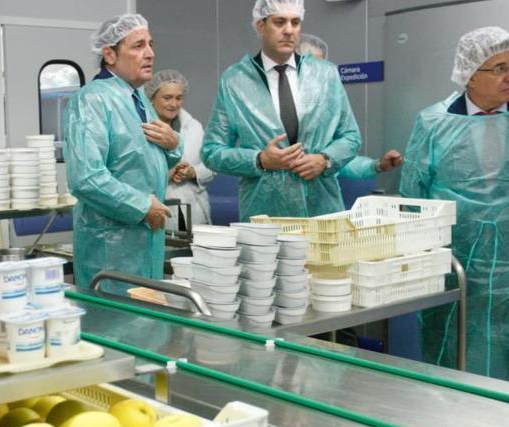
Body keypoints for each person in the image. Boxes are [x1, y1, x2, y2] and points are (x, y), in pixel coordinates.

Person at [399, 27, 509, 391]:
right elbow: (414, 197)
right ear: (469, 74)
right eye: (499, 68)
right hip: (456, 267)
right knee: (455, 350)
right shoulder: (434, 123)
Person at [202, 0, 361, 221]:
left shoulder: (326, 75)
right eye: (279, 22)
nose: (288, 30)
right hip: (265, 213)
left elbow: (351, 137)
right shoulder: (235, 81)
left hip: (322, 211)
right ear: (260, 26)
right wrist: (259, 160)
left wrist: (325, 160)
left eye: (295, 22)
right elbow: (212, 151)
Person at [62, 14, 183, 294]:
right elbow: (85, 178)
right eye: (138, 45)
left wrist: (174, 144)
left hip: (145, 240)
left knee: (146, 324)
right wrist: (142, 206)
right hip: (111, 245)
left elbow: (150, 160)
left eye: (151, 44)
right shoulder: (92, 100)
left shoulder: (138, 98)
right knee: (114, 328)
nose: (150, 53)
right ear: (110, 54)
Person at [297, 33, 403, 180]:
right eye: (313, 64)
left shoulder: (327, 108)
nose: (320, 71)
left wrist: (377, 165)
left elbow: (339, 160)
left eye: (323, 65)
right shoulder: (272, 106)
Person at [143, 69, 214, 231]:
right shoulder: (143, 129)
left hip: (194, 210)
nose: (174, 104)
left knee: (190, 253)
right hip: (159, 209)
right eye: (167, 98)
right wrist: (169, 173)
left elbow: (211, 166)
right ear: (152, 98)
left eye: (179, 98)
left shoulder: (193, 127)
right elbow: (138, 178)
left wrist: (192, 172)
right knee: (166, 253)